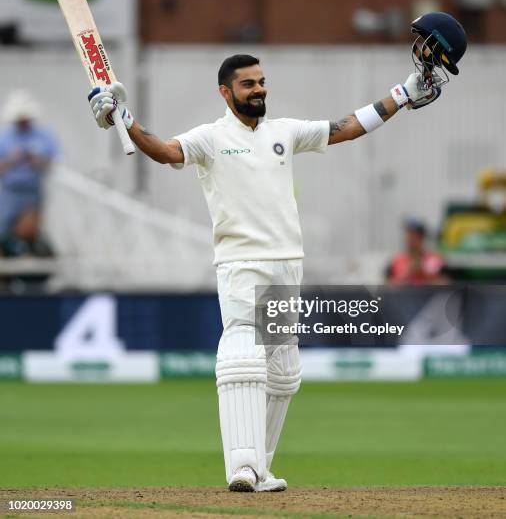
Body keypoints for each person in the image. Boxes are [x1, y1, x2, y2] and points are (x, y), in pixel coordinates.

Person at [86, 49, 445, 491]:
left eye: (261, 81)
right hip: (241, 263)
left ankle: (259, 468)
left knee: (282, 372)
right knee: (242, 354)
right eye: (248, 84)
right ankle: (240, 467)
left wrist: (404, 93)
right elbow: (164, 151)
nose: (259, 89)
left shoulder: (283, 131)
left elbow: (348, 127)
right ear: (226, 91)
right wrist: (126, 119)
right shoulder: (210, 137)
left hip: (286, 265)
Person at [0, 91, 59, 237]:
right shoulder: (4, 138)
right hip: (10, 191)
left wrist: (37, 160)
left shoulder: (44, 135)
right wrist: (12, 159)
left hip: (33, 191)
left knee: (31, 231)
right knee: (5, 227)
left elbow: (54, 161)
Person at [386, 219, 447, 286]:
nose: (410, 239)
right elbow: (388, 286)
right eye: (408, 235)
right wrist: (409, 273)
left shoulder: (435, 259)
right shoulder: (397, 260)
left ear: (422, 237)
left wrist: (422, 273)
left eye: (414, 236)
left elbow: (445, 284)